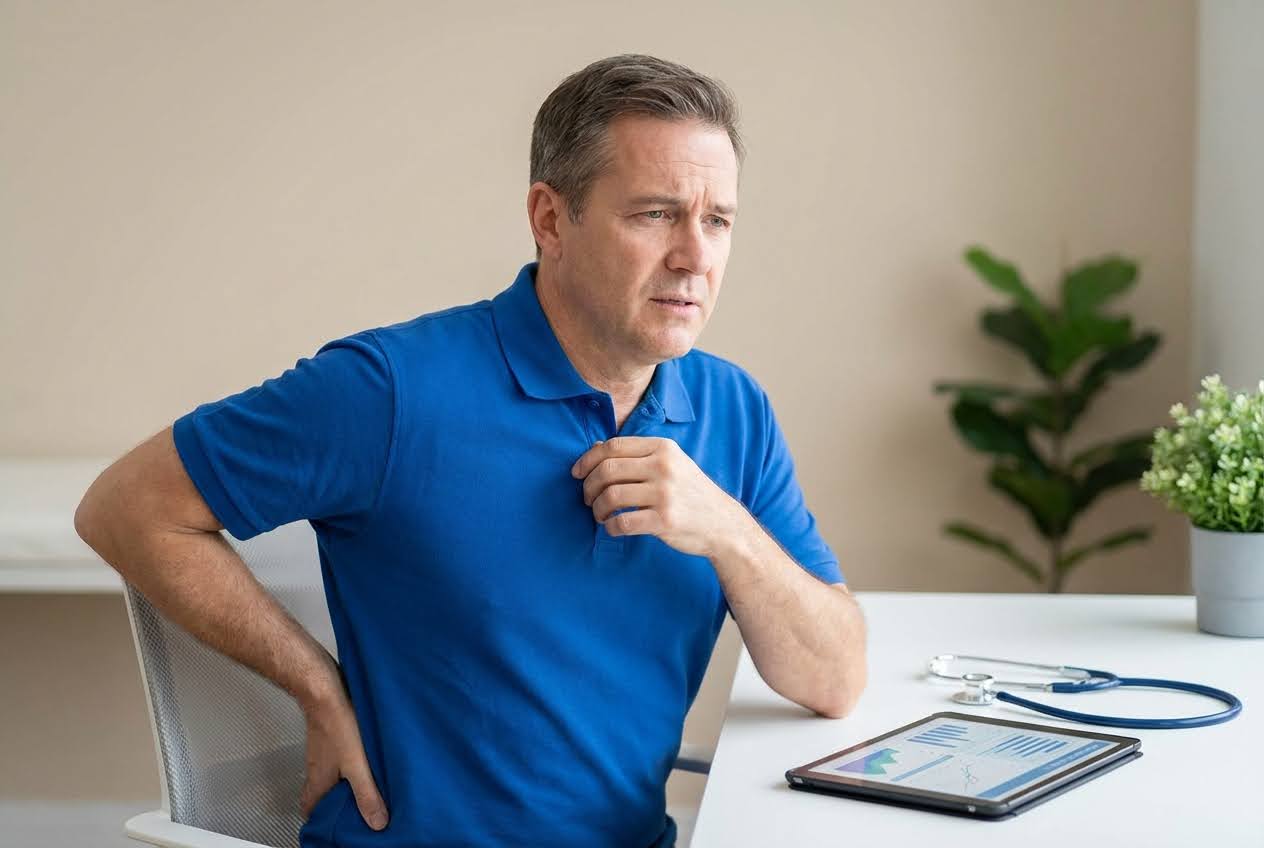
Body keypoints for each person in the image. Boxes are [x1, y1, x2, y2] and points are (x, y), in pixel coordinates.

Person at [75, 53, 867, 848]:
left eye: (717, 220)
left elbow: (833, 679)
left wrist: (725, 529)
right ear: (551, 220)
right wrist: (314, 687)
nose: (695, 257)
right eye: (655, 215)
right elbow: (126, 509)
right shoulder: (389, 390)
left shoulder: (735, 410)